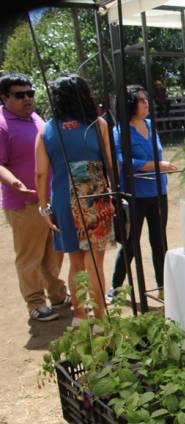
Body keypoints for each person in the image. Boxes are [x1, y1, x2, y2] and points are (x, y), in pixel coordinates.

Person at [35, 74, 114, 320]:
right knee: (95, 262)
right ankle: (101, 320)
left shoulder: (46, 130)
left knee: (75, 262)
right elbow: (111, 164)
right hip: (94, 196)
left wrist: (43, 209)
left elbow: (40, 173)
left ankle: (81, 319)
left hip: (62, 200)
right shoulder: (97, 124)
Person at [0, 73, 69, 322]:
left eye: (30, 93)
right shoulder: (2, 124)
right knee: (30, 255)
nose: (28, 98)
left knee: (54, 251)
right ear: (4, 97)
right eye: (20, 95)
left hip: (50, 198)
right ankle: (35, 303)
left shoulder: (34, 117)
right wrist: (15, 184)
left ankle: (58, 294)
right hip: (25, 202)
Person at [109, 85, 177, 302]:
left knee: (159, 242)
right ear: (129, 104)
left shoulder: (150, 125)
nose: (146, 102)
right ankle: (116, 287)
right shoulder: (120, 131)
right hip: (134, 195)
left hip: (158, 192)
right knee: (130, 243)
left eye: (146, 99)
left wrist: (159, 167)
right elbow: (122, 162)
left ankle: (162, 286)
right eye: (140, 100)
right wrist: (156, 165)